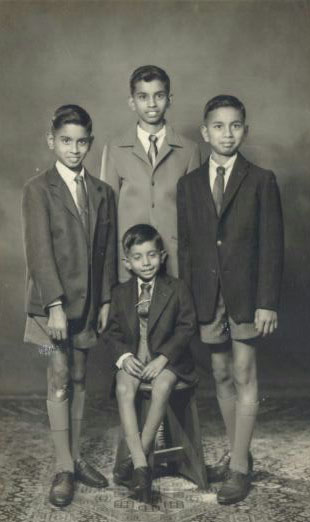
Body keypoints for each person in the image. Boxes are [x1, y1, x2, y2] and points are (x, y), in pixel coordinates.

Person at [177, 95, 284, 504]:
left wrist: (267, 301)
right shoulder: (188, 185)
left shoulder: (261, 179)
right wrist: (188, 303)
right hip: (207, 297)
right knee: (219, 374)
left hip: (245, 296)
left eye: (235, 125)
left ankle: (238, 468)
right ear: (205, 133)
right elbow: (187, 249)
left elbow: (272, 246)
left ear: (245, 130)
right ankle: (241, 453)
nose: (227, 133)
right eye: (218, 126)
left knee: (243, 372)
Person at [22, 104, 117, 507]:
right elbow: (39, 252)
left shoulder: (102, 192)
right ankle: (64, 467)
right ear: (51, 141)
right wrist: (55, 305)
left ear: (90, 144)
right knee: (58, 374)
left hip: (89, 306)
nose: (74, 149)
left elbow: (108, 250)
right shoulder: (38, 190)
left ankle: (75, 458)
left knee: (80, 376)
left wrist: (108, 297)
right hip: (51, 309)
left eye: (81, 142)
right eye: (66, 141)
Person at [105, 224, 196, 502]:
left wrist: (164, 357)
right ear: (127, 262)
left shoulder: (177, 288)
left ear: (163, 256)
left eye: (152, 255)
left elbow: (187, 326)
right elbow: (113, 331)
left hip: (169, 362)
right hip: (135, 359)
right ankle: (143, 467)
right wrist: (124, 356)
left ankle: (136, 462)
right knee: (123, 388)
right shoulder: (121, 293)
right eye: (137, 257)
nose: (146, 263)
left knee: (162, 385)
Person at [100, 65, 200, 281]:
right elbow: (106, 216)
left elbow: (194, 217)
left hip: (174, 263)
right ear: (132, 102)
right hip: (128, 262)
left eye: (159, 96)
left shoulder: (190, 150)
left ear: (170, 99)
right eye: (143, 97)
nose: (152, 104)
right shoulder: (115, 149)